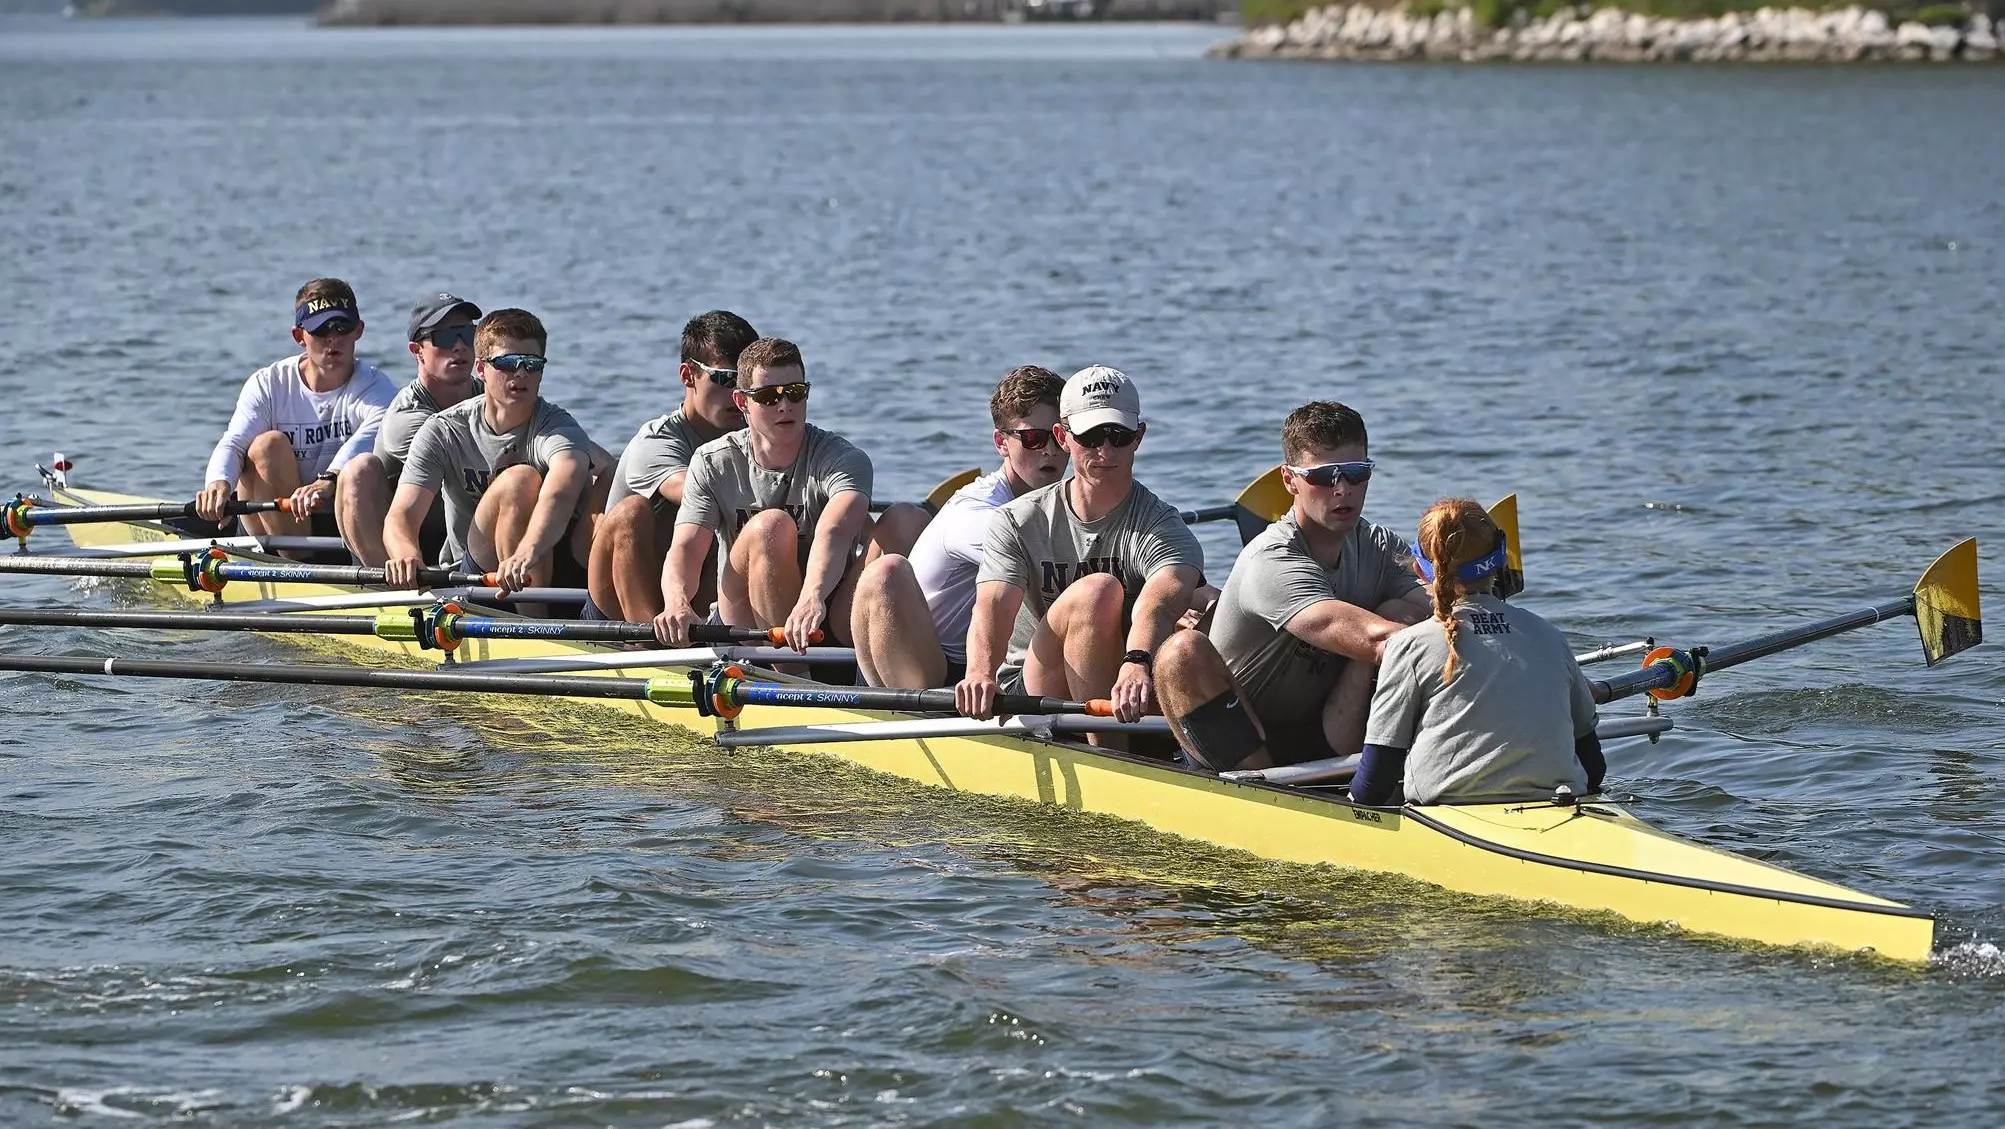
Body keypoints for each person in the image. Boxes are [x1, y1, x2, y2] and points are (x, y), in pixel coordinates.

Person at [1156, 401, 1430, 772]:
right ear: (1290, 480)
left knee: (1403, 614)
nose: (1342, 489)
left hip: (1324, 731)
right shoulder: (1272, 560)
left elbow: (1442, 608)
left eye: (1355, 473)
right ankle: (1259, 792)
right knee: (1180, 652)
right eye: (1323, 477)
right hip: (1238, 738)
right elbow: (1377, 642)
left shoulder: (1378, 545)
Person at [954, 365, 1203, 730]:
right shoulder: (1016, 520)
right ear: (1063, 436)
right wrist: (978, 673)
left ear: (1139, 436)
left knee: (1200, 629)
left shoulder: (1161, 524)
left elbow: (1160, 601)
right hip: (1031, 689)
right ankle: (1113, 755)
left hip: (1126, 679)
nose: (1104, 450)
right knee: (1097, 590)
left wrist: (1137, 660)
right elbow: (993, 605)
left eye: (1117, 435)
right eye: (1090, 436)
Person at [1349, 498, 1604, 806]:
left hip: (1449, 813)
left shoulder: (1410, 645)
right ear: (1500, 560)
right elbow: (1594, 768)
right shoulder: (1549, 634)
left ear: (1419, 568)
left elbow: (1374, 783)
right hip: (1559, 801)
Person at [651, 337, 896, 652]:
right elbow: (686, 546)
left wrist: (811, 598)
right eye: (768, 396)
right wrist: (676, 603)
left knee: (905, 520)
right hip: (743, 621)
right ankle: (795, 676)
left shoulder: (844, 459)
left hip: (822, 612)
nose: (785, 406)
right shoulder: (712, 462)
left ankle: (885, 671)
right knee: (771, 526)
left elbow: (836, 531)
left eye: (795, 393)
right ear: (742, 402)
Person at [849, 366, 1070, 688]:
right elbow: (1040, 563)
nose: (1049, 450)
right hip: (931, 668)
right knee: (888, 570)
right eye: (1033, 438)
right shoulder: (977, 509)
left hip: (997, 660)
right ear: (1001, 442)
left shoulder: (1062, 503)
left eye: (1059, 437)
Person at [382, 308, 594, 603]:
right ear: (481, 369)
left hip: (535, 566)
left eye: (531, 364)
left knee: (523, 481)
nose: (520, 373)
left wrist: (526, 553)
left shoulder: (557, 428)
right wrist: (406, 555)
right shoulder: (444, 429)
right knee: (519, 479)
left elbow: (560, 490)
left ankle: (535, 625)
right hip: (467, 575)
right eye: (507, 363)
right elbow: (401, 515)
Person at [195, 278, 396, 559]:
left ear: (359, 330)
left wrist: (327, 481)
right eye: (321, 330)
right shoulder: (269, 384)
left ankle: (370, 577)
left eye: (342, 327)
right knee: (266, 445)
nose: (333, 339)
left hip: (343, 522)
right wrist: (218, 484)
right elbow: (233, 443)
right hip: (276, 528)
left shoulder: (376, 387)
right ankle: (295, 564)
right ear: (299, 336)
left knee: (365, 466)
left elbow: (370, 436)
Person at [587, 310, 757, 623]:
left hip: (694, 592)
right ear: (687, 375)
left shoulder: (759, 439)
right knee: (633, 512)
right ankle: (651, 648)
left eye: (746, 383)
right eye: (725, 379)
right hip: (615, 608)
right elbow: (693, 489)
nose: (737, 395)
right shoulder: (655, 441)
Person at [331, 291, 484, 567]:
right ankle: (387, 588)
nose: (460, 346)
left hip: (464, 531)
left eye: (467, 334)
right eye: (446, 337)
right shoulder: (406, 416)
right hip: (402, 541)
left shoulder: (493, 393)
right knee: (358, 471)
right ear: (417, 351)